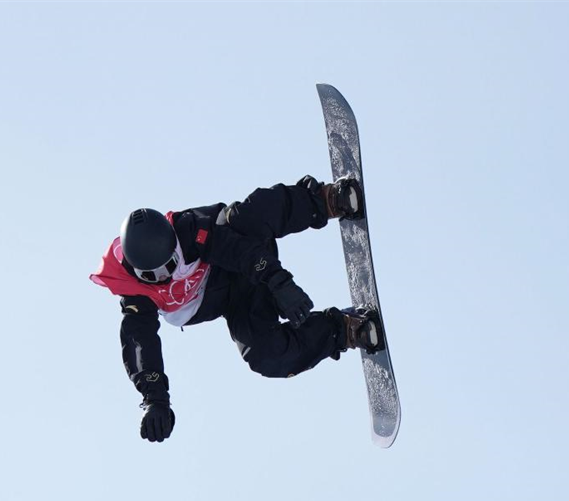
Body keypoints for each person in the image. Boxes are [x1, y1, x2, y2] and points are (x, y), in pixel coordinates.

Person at [90, 175, 384, 443]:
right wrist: (155, 399)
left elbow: (236, 250)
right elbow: (140, 343)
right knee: (264, 355)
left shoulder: (188, 229)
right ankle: (346, 329)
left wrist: (278, 282)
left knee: (242, 219)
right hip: (237, 301)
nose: (165, 276)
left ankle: (325, 200)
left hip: (243, 257)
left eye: (170, 264)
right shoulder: (135, 295)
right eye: (153, 275)